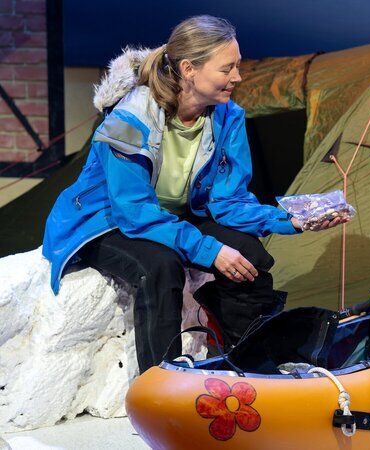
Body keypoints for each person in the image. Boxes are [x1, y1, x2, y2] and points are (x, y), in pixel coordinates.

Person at [42, 16, 344, 374]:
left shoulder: (227, 117)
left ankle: (250, 363)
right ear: (189, 69)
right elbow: (134, 211)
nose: (238, 77)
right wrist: (210, 251)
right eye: (227, 68)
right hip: (105, 221)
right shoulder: (129, 119)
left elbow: (228, 201)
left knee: (249, 256)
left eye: (238, 66)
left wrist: (289, 220)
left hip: (169, 216)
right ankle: (162, 381)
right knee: (159, 267)